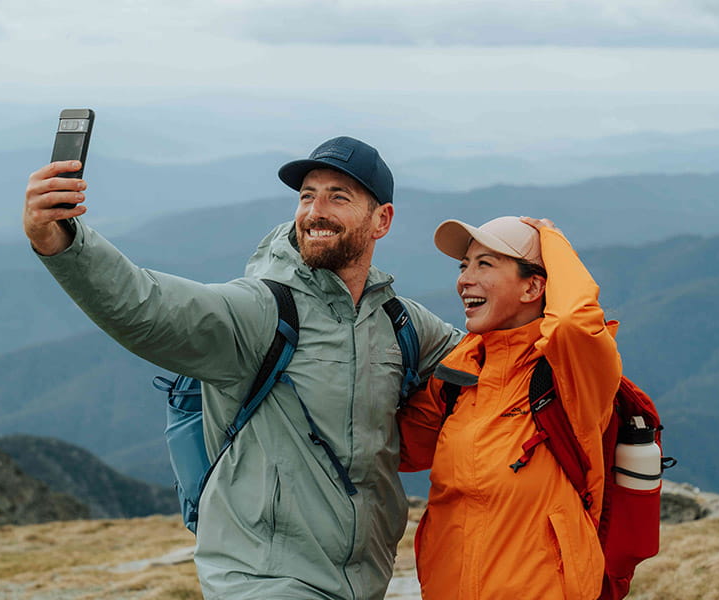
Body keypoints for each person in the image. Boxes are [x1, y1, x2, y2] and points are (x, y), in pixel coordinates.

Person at [23, 136, 463, 600]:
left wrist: (540, 264)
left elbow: (493, 358)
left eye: (338, 196)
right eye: (307, 196)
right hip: (261, 582)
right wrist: (60, 238)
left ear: (382, 221)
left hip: (362, 583)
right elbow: (145, 304)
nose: (315, 211)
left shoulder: (398, 323)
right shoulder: (260, 312)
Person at [398, 216, 621, 599]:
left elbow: (571, 321)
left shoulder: (569, 374)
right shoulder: (459, 375)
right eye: (464, 265)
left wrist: (550, 238)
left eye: (485, 264)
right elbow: (394, 448)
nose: (465, 279)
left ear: (533, 285)